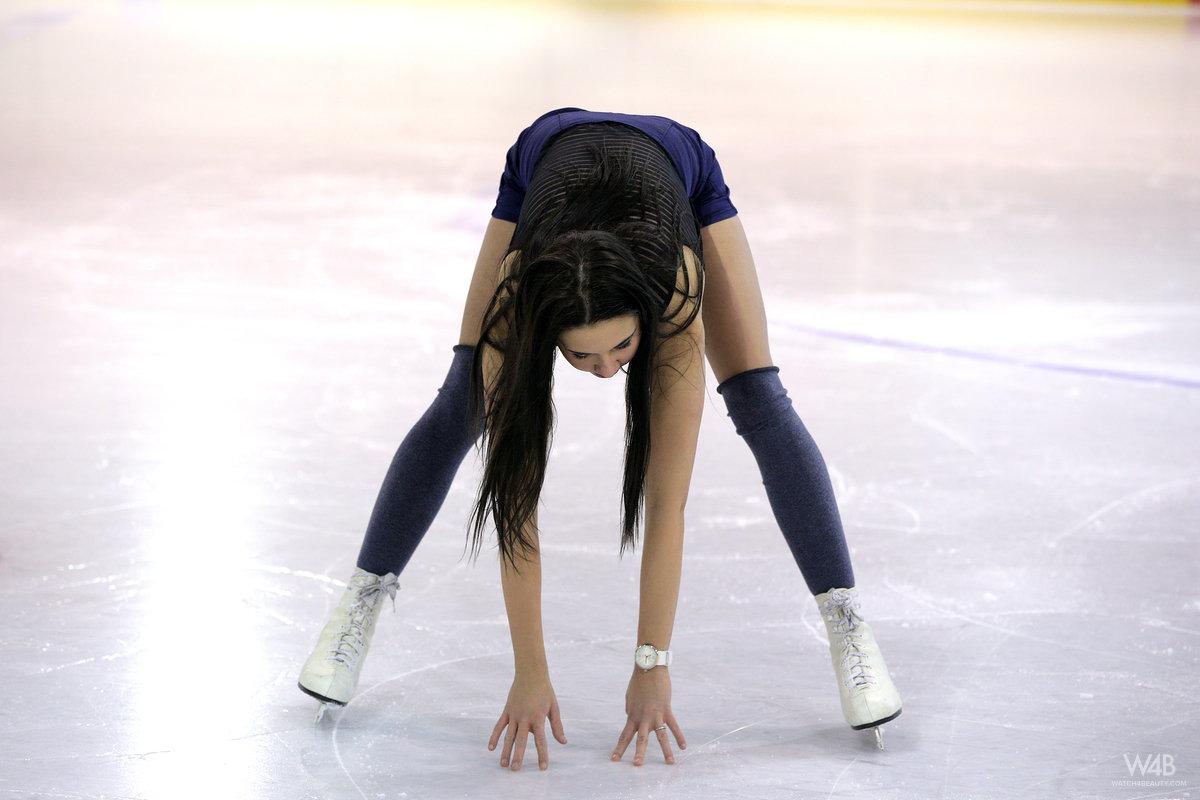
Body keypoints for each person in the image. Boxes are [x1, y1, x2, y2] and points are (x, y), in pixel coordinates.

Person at [297, 106, 902, 768]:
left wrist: (652, 663)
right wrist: (530, 669)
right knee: (461, 398)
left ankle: (846, 622)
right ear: (547, 334)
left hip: (676, 168)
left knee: (758, 396)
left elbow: (665, 505)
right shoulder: (517, 309)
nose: (608, 369)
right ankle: (359, 601)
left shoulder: (674, 293)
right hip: (547, 160)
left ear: (642, 317)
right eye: (581, 357)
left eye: (621, 346)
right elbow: (515, 505)